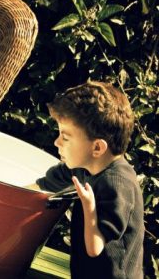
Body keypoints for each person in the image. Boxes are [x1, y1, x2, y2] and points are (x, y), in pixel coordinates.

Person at [35, 81, 144, 279]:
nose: (56, 142)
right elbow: (48, 182)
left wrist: (89, 208)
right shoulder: (84, 165)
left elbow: (95, 248)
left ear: (97, 148)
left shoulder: (117, 185)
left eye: (65, 138)